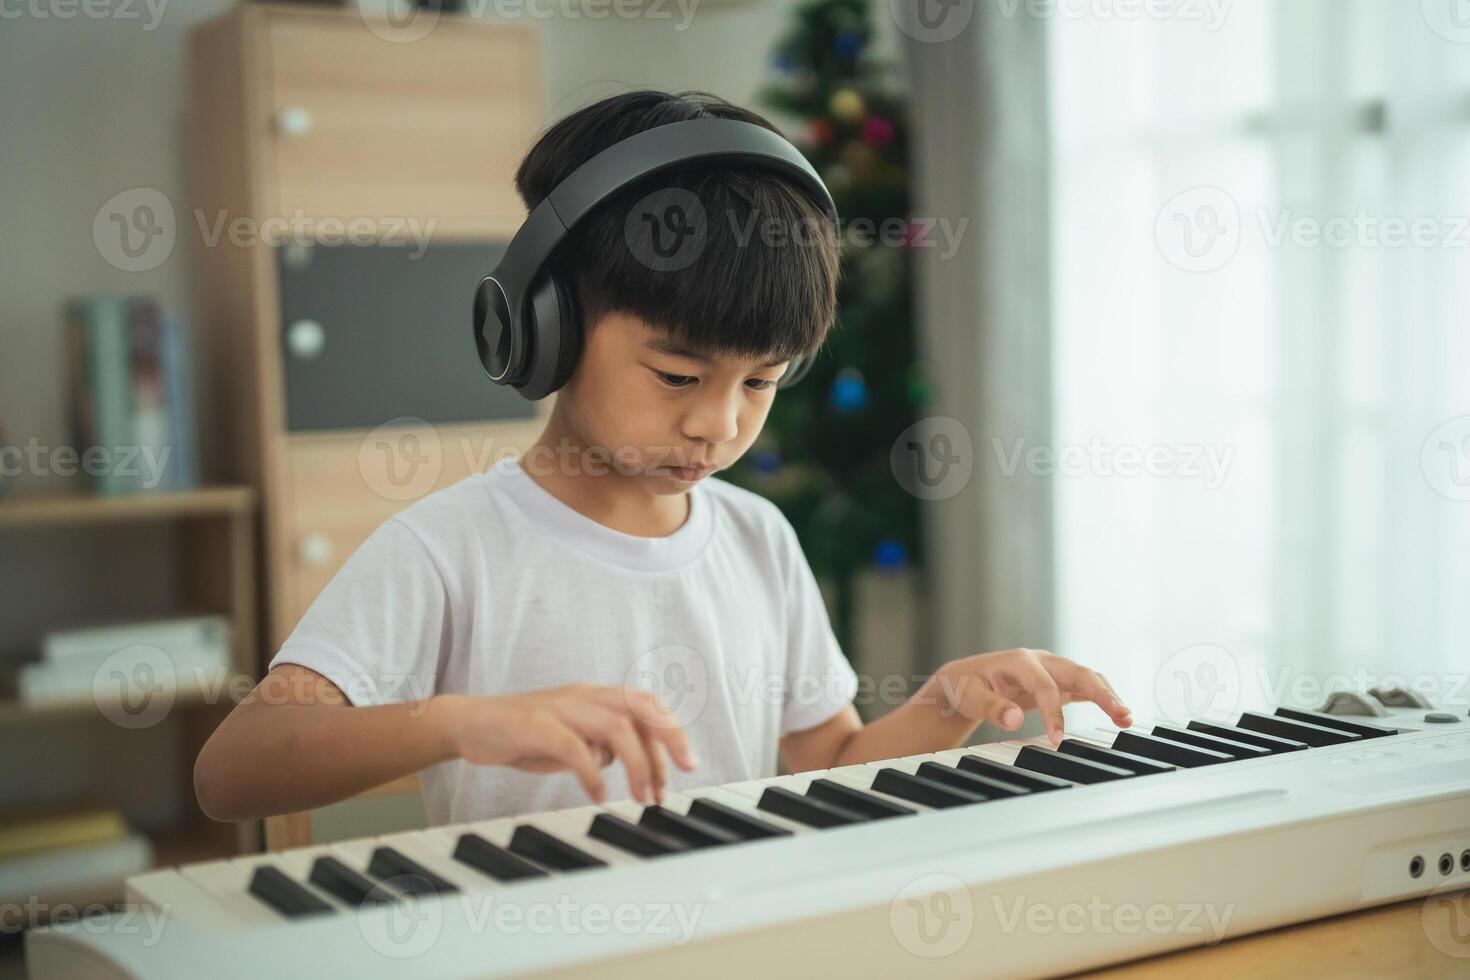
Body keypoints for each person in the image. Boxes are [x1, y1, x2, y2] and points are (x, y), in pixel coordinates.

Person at [193, 90, 1131, 828]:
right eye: (678, 376)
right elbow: (232, 771)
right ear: (545, 329)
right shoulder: (450, 549)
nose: (718, 426)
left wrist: (943, 701)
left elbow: (827, 767)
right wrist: (459, 722)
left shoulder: (758, 537)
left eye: (761, 383)